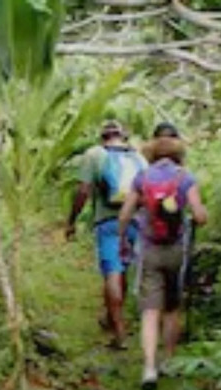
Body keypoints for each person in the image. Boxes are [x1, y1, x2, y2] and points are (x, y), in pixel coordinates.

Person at [117, 122, 208, 390]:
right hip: (176, 252)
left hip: (149, 250)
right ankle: (168, 360)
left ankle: (149, 368)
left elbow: (125, 214)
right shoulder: (185, 178)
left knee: (149, 311)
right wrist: (195, 216)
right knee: (171, 308)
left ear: (152, 148)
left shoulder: (143, 177)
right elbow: (200, 215)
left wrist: (122, 238)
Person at [66, 119, 146, 351]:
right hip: (136, 221)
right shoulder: (139, 157)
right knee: (123, 269)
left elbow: (83, 190)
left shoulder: (95, 154)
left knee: (112, 272)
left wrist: (71, 220)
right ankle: (110, 318)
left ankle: (119, 332)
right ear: (123, 136)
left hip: (108, 221)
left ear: (103, 137)